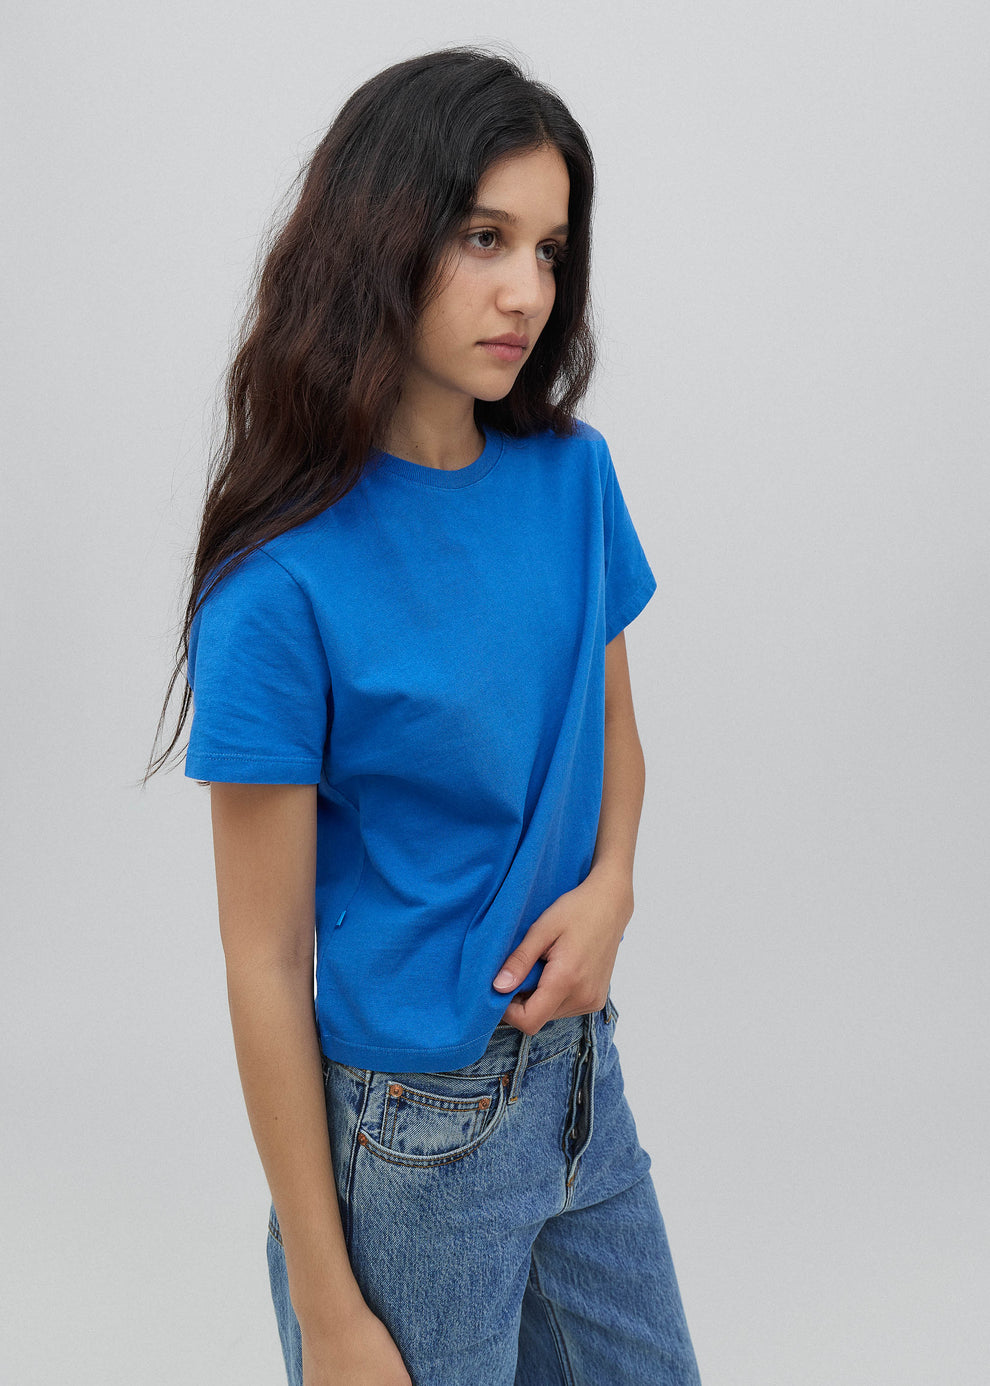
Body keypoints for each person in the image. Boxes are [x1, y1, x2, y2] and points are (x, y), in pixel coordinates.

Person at [146, 45, 702, 1386]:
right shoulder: (279, 587)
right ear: (379, 236)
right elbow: (266, 962)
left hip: (581, 1089)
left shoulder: (571, 477)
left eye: (550, 249)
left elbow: (611, 725)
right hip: (413, 1131)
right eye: (482, 237)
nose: (527, 291)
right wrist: (332, 1314)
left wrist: (612, 883)